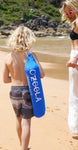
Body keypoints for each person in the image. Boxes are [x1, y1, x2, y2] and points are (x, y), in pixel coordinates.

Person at [3, 26, 45, 150]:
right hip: (28, 91)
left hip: (14, 92)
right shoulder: (31, 56)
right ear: (29, 39)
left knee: (18, 119)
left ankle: (22, 146)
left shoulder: (8, 57)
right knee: (26, 122)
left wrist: (15, 78)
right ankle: (23, 148)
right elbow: (41, 75)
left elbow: (5, 80)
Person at [60, 0, 78, 137]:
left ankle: (75, 127)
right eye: (66, 13)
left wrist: (74, 58)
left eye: (70, 12)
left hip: (75, 57)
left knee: (74, 93)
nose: (68, 15)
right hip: (75, 57)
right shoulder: (75, 23)